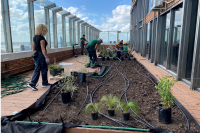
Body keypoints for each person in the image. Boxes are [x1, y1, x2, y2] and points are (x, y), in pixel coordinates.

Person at [27, 24, 51, 91]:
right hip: (41, 55)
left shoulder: (35, 37)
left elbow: (33, 48)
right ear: (44, 30)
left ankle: (44, 83)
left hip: (36, 55)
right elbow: (43, 49)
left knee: (38, 68)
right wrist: (46, 57)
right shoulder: (42, 38)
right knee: (43, 69)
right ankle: (32, 84)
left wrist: (35, 54)